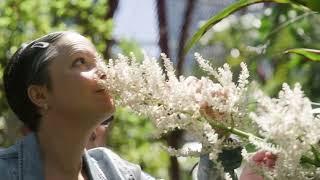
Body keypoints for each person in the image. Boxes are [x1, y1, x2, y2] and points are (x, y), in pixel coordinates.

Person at [0, 31, 274, 180]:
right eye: (80, 62)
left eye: (99, 62)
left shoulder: (117, 171)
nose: (105, 72)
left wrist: (220, 137)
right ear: (40, 95)